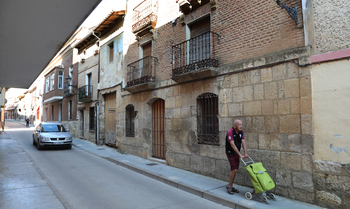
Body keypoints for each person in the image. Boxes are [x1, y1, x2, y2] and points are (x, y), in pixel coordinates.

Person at [225, 119, 248, 194]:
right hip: (230, 152)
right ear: (235, 125)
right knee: (234, 169)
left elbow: (243, 142)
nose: (241, 126)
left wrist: (245, 153)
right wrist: (240, 154)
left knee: (235, 170)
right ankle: (229, 186)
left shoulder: (241, 132)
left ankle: (231, 185)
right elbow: (232, 144)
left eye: (241, 124)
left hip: (236, 153)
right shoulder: (230, 132)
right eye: (240, 125)